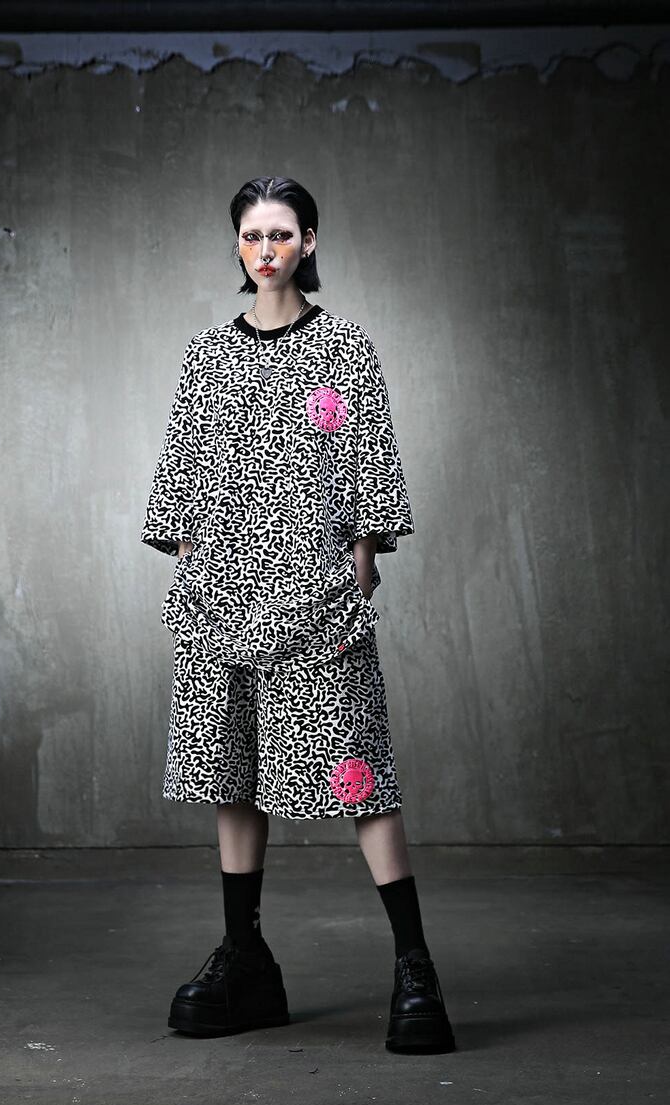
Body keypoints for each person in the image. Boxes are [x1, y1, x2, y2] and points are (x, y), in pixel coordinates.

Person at [141, 175, 455, 1054]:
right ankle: (245, 957)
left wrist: (357, 564)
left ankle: (415, 964)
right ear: (238, 245)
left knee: (362, 777)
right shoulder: (207, 355)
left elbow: (373, 467)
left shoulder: (346, 348)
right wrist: (195, 563)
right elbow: (181, 474)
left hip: (318, 603)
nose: (266, 249)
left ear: (309, 242)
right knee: (233, 776)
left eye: (281, 233)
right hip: (222, 602)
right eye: (252, 235)